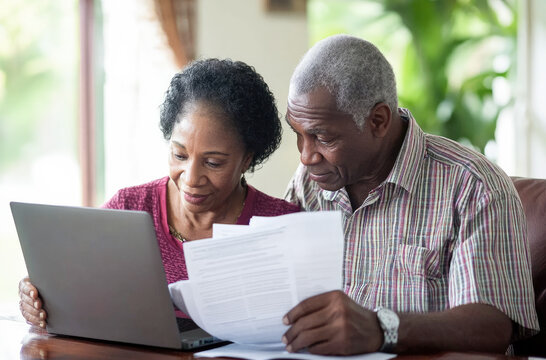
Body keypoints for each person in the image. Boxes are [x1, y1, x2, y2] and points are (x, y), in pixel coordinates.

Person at [281, 34, 539, 355]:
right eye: (298, 134)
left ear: (378, 121)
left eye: (322, 137)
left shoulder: (473, 186)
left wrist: (381, 328)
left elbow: (492, 326)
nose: (305, 156)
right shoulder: (309, 184)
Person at [18, 58, 300, 328]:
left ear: (247, 159)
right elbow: (65, 280)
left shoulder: (283, 224)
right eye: (179, 155)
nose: (190, 178)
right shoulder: (130, 208)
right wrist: (38, 296)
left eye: (213, 163)